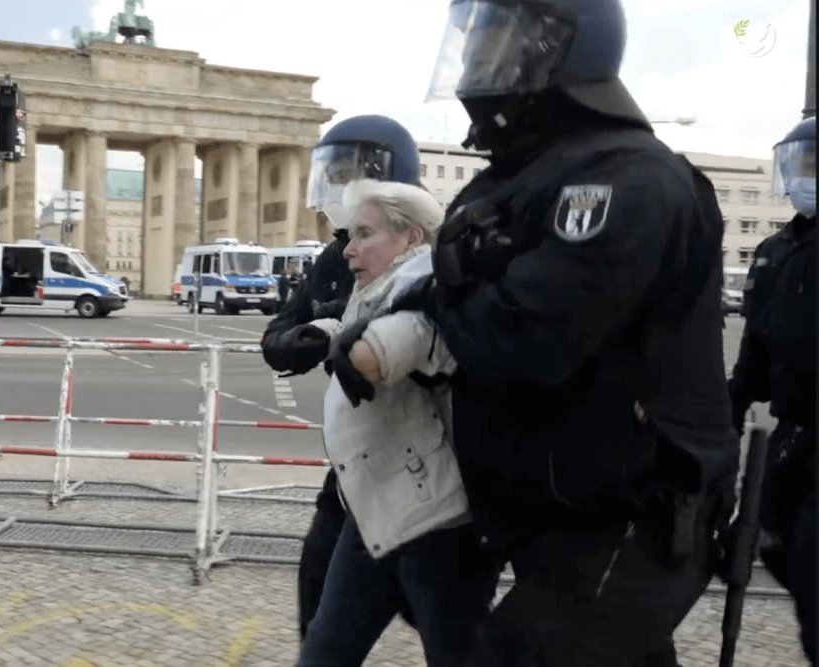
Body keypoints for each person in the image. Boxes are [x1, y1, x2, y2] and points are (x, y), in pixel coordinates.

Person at [385, 0, 740, 662]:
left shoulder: (628, 177)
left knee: (526, 652)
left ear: (557, 46)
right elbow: (447, 289)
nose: (474, 59)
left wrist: (444, 301)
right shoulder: (518, 175)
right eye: (473, 40)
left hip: (634, 512)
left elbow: (525, 340)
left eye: (495, 38)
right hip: (556, 504)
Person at [299, 179, 498, 666]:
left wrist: (363, 351)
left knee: (457, 655)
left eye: (364, 234)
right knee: (326, 650)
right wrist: (322, 333)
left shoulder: (431, 286)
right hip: (373, 509)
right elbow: (361, 326)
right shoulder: (379, 285)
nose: (349, 250)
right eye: (349, 234)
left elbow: (411, 334)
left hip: (437, 524)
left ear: (411, 237)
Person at [259, 114, 422, 639]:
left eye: (355, 175)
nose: (341, 188)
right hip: (354, 469)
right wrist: (293, 342)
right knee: (318, 595)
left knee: (445, 621)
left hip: (428, 470)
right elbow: (282, 328)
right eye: (336, 175)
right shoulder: (336, 255)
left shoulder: (432, 256)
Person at [729, 115, 815, 664]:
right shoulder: (775, 249)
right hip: (791, 438)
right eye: (800, 164)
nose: (805, 175)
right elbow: (754, 349)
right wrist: (728, 410)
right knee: (770, 548)